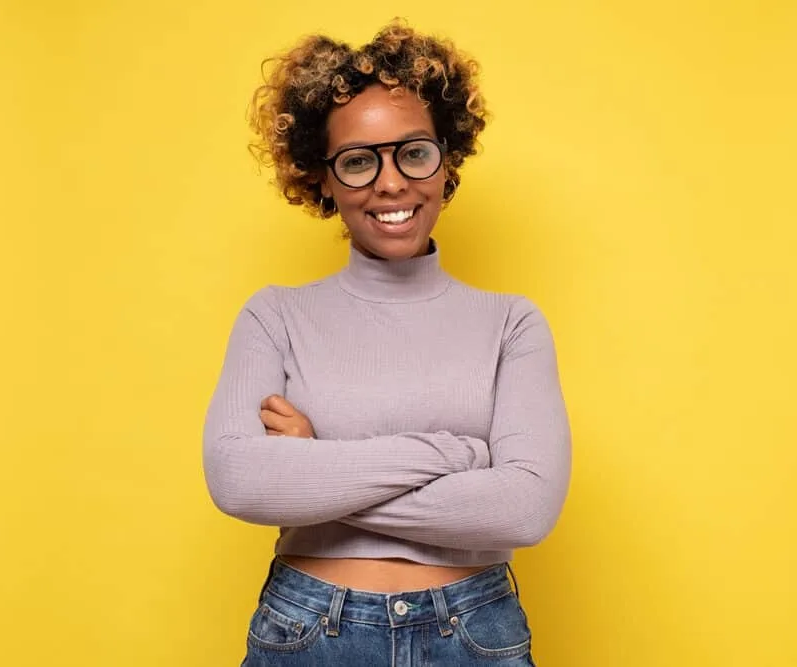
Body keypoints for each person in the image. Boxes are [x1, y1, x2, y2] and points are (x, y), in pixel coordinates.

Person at [203, 19, 572, 666]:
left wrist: (319, 466)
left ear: (446, 158)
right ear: (322, 177)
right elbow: (238, 478)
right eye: (358, 161)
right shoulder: (275, 317)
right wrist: (450, 453)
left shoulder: (512, 324)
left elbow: (525, 507)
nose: (392, 182)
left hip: (474, 634)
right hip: (311, 632)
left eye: (415, 152)